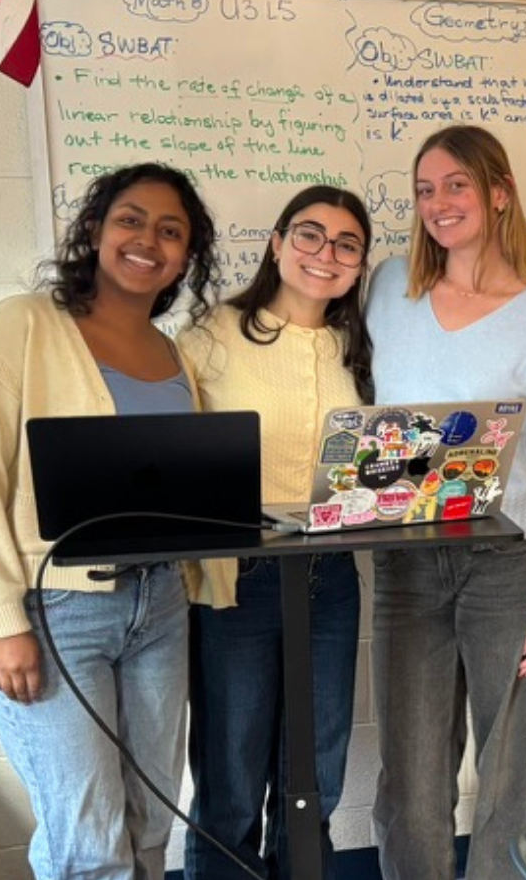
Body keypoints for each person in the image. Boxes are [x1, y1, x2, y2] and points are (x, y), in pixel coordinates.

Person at [0, 162, 219, 880]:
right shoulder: (25, 325)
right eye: (131, 219)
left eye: (170, 230)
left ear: (186, 255)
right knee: (89, 840)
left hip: (157, 605)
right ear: (95, 228)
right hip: (54, 612)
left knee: (149, 824)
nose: (147, 240)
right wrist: (3, 619)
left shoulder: (174, 354)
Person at [365, 124, 526, 880]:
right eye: (425, 189)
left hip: (510, 561)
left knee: (509, 767)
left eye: (456, 184)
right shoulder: (387, 290)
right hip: (405, 558)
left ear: (500, 193)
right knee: (411, 769)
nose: (439, 203)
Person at [179, 186, 375, 879]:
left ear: (359, 264)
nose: (326, 253)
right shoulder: (212, 334)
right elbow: (179, 463)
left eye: (346, 243)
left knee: (313, 775)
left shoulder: (357, 345)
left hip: (331, 576)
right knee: (231, 779)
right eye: (310, 234)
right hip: (240, 577)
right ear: (277, 242)